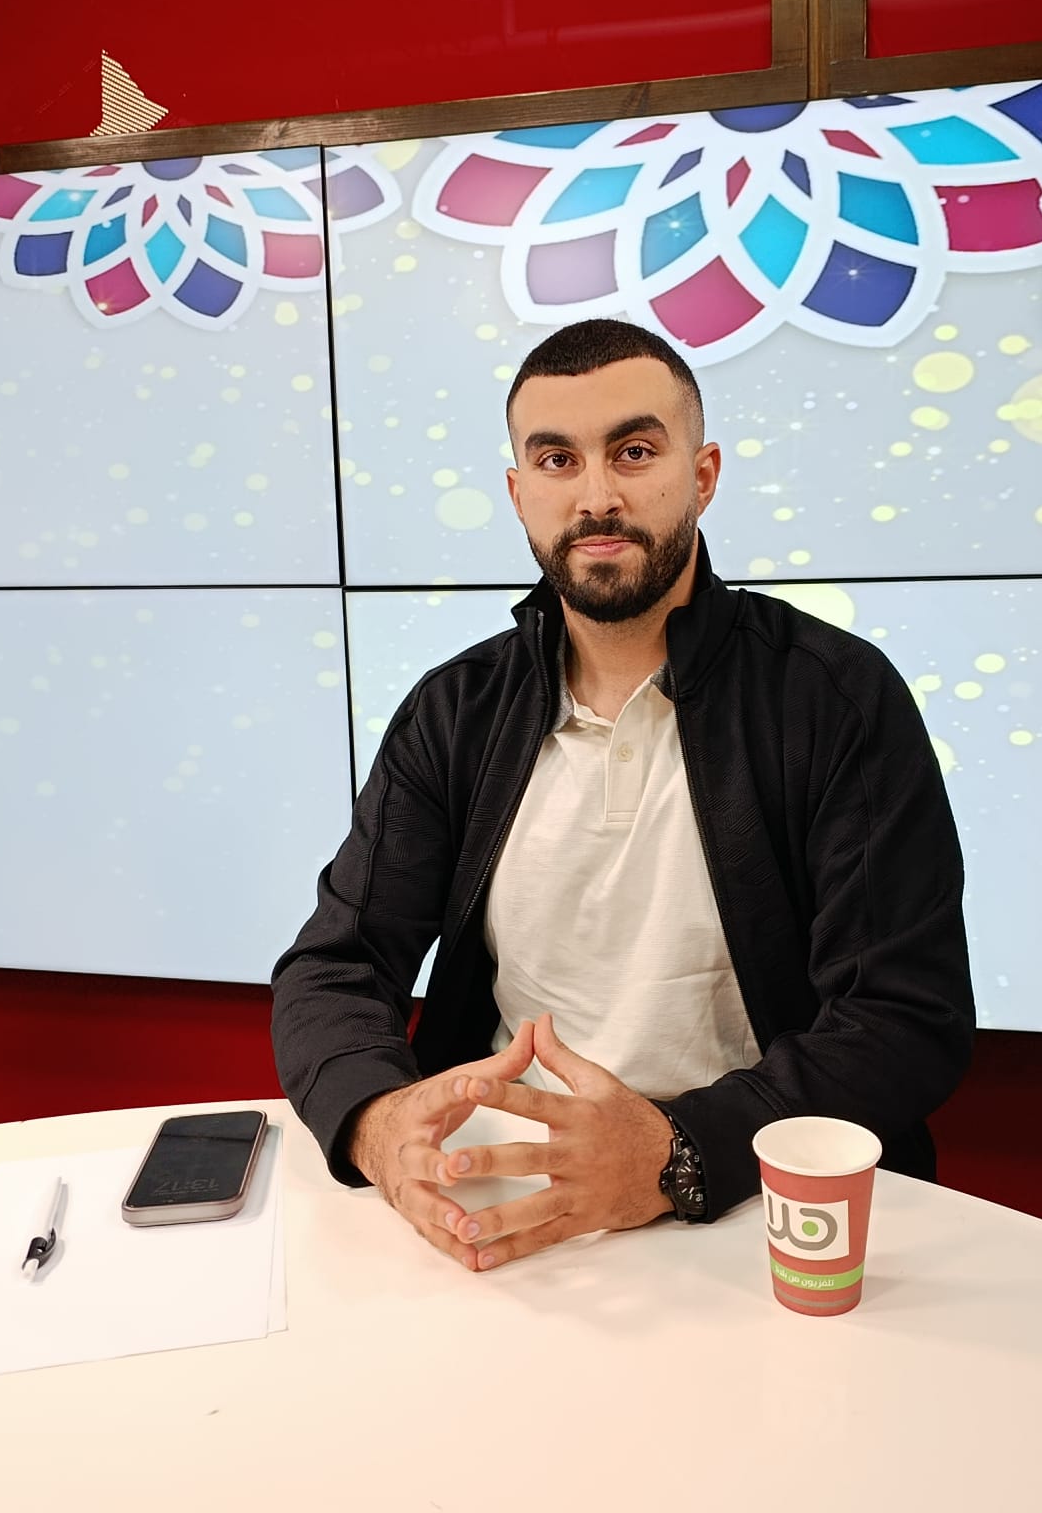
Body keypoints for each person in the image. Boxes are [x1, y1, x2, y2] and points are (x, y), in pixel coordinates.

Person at [271, 318, 975, 1274]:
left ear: (704, 475)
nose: (597, 495)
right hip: (502, 1201)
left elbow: (902, 1018)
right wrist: (379, 1121)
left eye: (634, 452)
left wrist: (673, 1152)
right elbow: (335, 966)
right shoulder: (455, 711)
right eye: (557, 460)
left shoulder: (835, 698)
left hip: (752, 1200)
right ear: (520, 493)